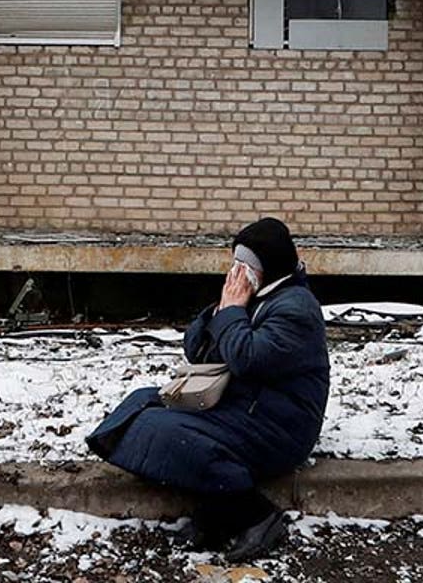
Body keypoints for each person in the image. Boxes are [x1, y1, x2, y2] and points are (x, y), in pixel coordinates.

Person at [87, 217, 330, 562]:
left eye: (246, 266)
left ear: (270, 267)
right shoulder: (257, 296)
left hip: (281, 425)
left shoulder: (296, 307)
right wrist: (221, 310)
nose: (237, 273)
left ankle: (256, 514)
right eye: (235, 263)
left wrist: (232, 311)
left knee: (164, 430)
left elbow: (248, 358)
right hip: (247, 406)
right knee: (144, 401)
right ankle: (218, 509)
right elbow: (197, 349)